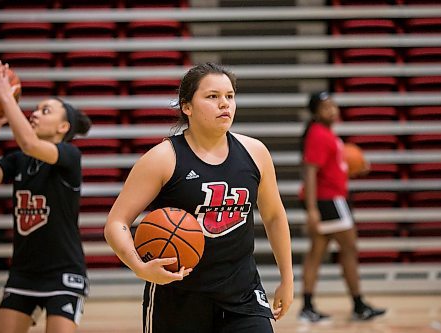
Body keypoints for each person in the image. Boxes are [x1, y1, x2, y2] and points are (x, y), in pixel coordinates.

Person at [104, 62, 294, 333]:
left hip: (242, 292)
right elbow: (116, 223)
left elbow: (274, 216)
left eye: (229, 96)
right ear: (187, 107)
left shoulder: (256, 152)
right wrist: (139, 267)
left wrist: (287, 278)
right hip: (179, 296)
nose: (224, 104)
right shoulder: (163, 158)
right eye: (212, 96)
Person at [0, 61, 91, 333]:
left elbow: (29, 142)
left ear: (63, 127)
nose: (35, 114)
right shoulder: (19, 160)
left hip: (64, 272)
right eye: (35, 109)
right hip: (24, 271)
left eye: (45, 111)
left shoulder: (70, 156)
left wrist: (3, 96)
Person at [298, 91, 386, 322]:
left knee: (316, 253)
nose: (333, 110)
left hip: (329, 199)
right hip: (330, 200)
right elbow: (309, 172)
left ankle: (307, 306)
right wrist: (312, 209)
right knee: (349, 249)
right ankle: (358, 305)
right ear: (316, 112)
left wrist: (352, 167)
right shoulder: (318, 134)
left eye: (334, 106)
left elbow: (332, 168)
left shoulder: (326, 133)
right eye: (327, 107)